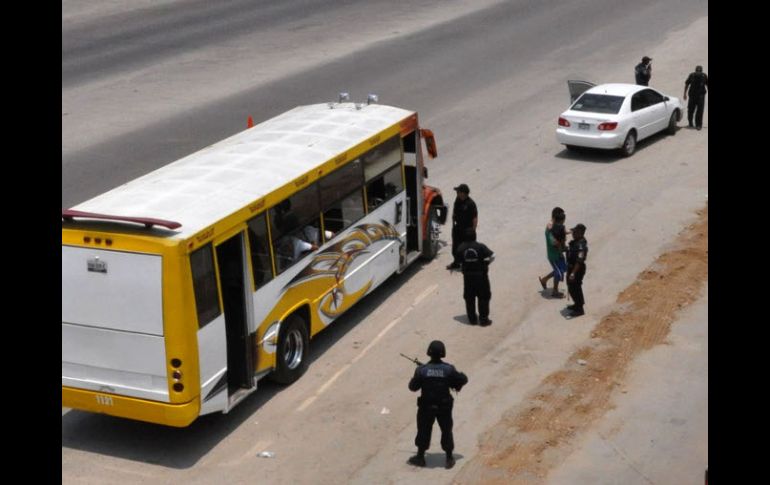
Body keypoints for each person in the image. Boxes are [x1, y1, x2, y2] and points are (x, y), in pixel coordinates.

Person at [408, 340, 468, 469]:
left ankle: (420, 457)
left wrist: (417, 375)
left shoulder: (422, 370)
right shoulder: (449, 369)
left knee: (423, 430)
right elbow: (463, 379)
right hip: (444, 407)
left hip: (426, 407)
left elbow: (412, 387)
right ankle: (449, 458)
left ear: (429, 352)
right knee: (446, 430)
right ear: (443, 353)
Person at [456, 229, 494, 325]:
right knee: (484, 297)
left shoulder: (461, 247)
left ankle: (472, 319)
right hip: (481, 276)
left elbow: (458, 261)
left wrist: (462, 268)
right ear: (475, 236)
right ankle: (484, 319)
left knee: (469, 298)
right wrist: (486, 263)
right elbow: (493, 256)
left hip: (468, 278)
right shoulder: (480, 247)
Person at [446, 184, 478, 270]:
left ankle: (468, 265)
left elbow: (474, 218)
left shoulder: (471, 204)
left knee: (467, 248)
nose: (457, 193)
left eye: (459, 192)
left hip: (467, 229)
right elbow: (455, 209)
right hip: (458, 228)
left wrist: (473, 231)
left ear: (464, 193)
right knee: (455, 248)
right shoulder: (458, 200)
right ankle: (456, 263)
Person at [539, 207, 568, 298]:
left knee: (562, 269)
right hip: (554, 255)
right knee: (559, 272)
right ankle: (555, 291)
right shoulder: (550, 228)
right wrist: (563, 247)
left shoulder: (556, 226)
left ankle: (544, 279)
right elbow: (555, 243)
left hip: (558, 253)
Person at [565, 223, 588, 317]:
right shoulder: (575, 242)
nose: (573, 233)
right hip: (571, 268)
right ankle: (576, 305)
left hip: (577, 270)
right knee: (571, 287)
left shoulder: (581, 246)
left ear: (580, 233)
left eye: (575, 232)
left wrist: (573, 273)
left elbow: (579, 261)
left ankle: (580, 309)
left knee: (575, 288)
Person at [683, 65, 708, 130]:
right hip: (692, 96)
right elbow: (687, 84)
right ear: (695, 71)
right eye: (697, 71)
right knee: (690, 110)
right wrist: (684, 94)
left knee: (700, 111)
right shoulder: (692, 76)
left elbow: (707, 85)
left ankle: (698, 125)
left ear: (701, 72)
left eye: (699, 71)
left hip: (701, 96)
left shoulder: (704, 76)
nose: (698, 72)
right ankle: (690, 122)